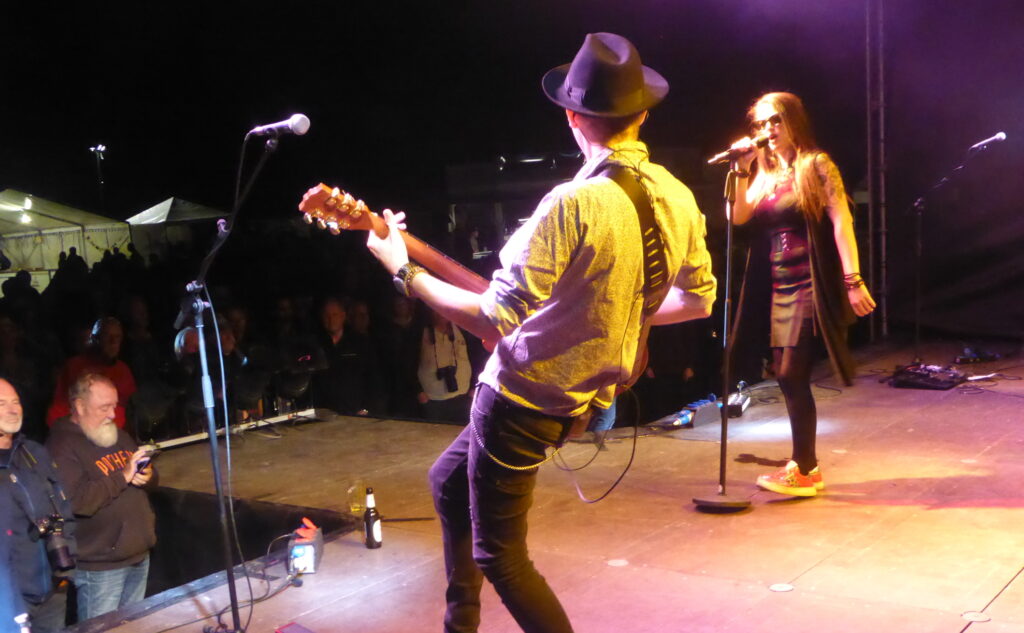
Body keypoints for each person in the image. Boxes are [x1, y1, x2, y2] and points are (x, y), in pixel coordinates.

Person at [365, 32, 716, 633]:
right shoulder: (678, 197)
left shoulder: (572, 204)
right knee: (447, 484)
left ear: (573, 118)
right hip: (577, 400)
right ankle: (460, 624)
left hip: (521, 402)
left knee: (501, 556)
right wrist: (610, 315)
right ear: (642, 114)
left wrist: (402, 269)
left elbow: (489, 318)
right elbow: (699, 299)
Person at [728, 92, 875, 497]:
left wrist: (853, 280)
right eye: (760, 125)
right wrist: (742, 170)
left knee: (793, 372)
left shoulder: (816, 165)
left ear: (794, 121)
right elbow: (737, 216)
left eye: (775, 121)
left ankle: (806, 469)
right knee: (785, 374)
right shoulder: (766, 173)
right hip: (775, 286)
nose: (768, 131)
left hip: (808, 283)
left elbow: (841, 221)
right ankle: (804, 466)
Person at [45, 374, 156, 622]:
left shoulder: (116, 435)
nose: (112, 415)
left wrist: (148, 475)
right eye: (104, 407)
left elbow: (146, 476)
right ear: (80, 406)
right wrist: (123, 476)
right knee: (101, 629)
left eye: (115, 406)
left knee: (133, 627)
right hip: (101, 567)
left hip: (137, 555)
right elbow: (77, 502)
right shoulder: (61, 445)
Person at [0, 379, 76, 633]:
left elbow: (64, 512)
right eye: (1, 404)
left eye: (16, 402)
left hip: (51, 594)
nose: (13, 409)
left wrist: (65, 570)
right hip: (9, 604)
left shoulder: (34, 453)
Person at [47, 317, 137, 429]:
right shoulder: (74, 366)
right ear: (95, 339)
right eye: (107, 336)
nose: (113, 342)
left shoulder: (123, 370)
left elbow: (133, 410)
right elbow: (58, 409)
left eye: (117, 337)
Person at [416, 308, 472, 423]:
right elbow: (408, 363)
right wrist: (418, 391)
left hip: (463, 393)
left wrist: (474, 386)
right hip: (433, 397)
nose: (441, 313)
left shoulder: (462, 329)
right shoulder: (420, 333)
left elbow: (477, 356)